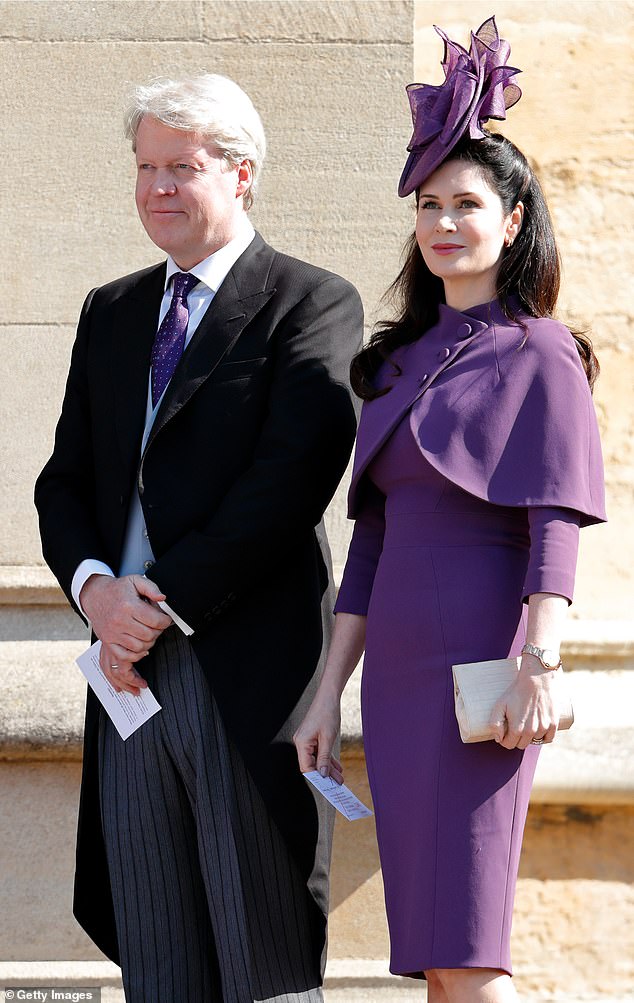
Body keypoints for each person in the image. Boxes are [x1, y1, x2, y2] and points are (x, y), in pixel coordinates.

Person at [293, 17, 605, 1002]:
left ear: (512, 221)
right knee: (433, 951)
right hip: (396, 675)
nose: (441, 222)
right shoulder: (397, 363)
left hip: (484, 669)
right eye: (428, 204)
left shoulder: (539, 350)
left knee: (471, 947)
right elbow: (372, 539)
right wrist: (323, 690)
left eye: (465, 203)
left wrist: (536, 660)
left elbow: (554, 519)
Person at [35, 73, 363, 1003]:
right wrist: (99, 590)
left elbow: (289, 482)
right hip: (126, 672)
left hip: (241, 664)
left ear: (243, 173)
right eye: (145, 168)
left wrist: (154, 603)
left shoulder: (311, 302)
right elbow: (63, 482)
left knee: (259, 958)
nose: (157, 190)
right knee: (157, 955)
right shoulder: (112, 310)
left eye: (182, 167)